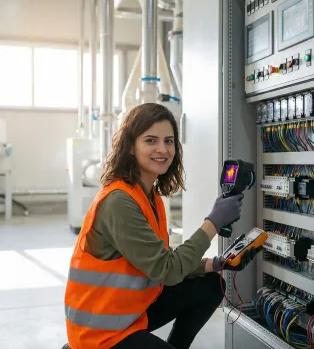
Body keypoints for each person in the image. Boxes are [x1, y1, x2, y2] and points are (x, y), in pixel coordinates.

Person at [62, 103, 260, 349]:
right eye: (150, 140)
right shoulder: (119, 201)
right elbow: (167, 270)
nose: (162, 149)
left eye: (169, 141)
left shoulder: (149, 196)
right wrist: (213, 223)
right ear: (131, 147)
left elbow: (160, 261)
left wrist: (214, 264)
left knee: (212, 283)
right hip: (100, 332)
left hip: (128, 312)